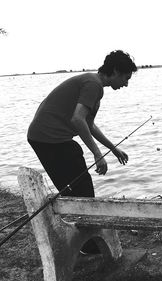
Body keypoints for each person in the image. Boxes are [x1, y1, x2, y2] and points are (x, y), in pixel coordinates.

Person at [27, 50, 137, 253]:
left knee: (76, 188)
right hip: (48, 138)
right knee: (80, 189)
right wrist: (97, 155)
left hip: (45, 138)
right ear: (114, 71)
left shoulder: (94, 86)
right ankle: (88, 243)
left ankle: (85, 241)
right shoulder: (93, 84)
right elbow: (77, 120)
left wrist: (113, 149)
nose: (126, 83)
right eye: (125, 77)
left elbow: (89, 124)